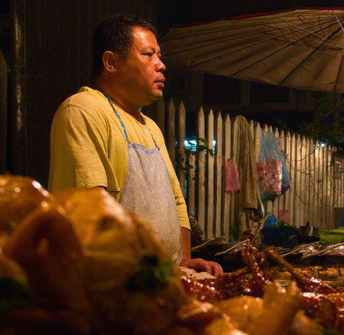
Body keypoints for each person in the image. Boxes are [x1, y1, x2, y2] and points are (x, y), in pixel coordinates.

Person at [49, 15, 222, 276]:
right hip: (110, 280)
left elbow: (176, 202)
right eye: (148, 54)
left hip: (162, 277)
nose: (161, 65)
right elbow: (91, 211)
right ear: (111, 62)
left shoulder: (150, 128)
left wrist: (183, 260)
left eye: (159, 56)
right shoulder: (84, 110)